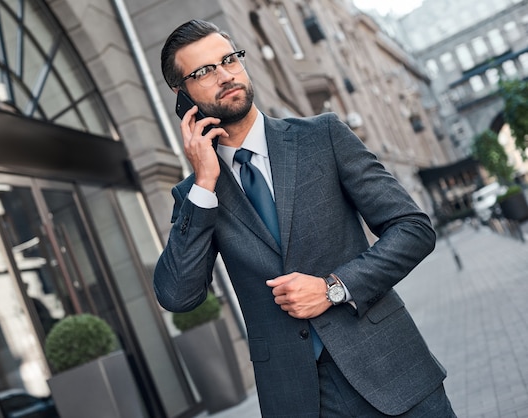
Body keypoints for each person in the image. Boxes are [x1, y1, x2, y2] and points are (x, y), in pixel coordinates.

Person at [154, 19, 455, 417]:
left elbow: (413, 228)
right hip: (299, 398)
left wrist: (334, 287)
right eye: (204, 72)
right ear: (182, 95)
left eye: (229, 59)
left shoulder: (322, 136)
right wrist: (204, 183)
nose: (225, 75)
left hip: (389, 368)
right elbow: (178, 295)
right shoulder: (196, 195)